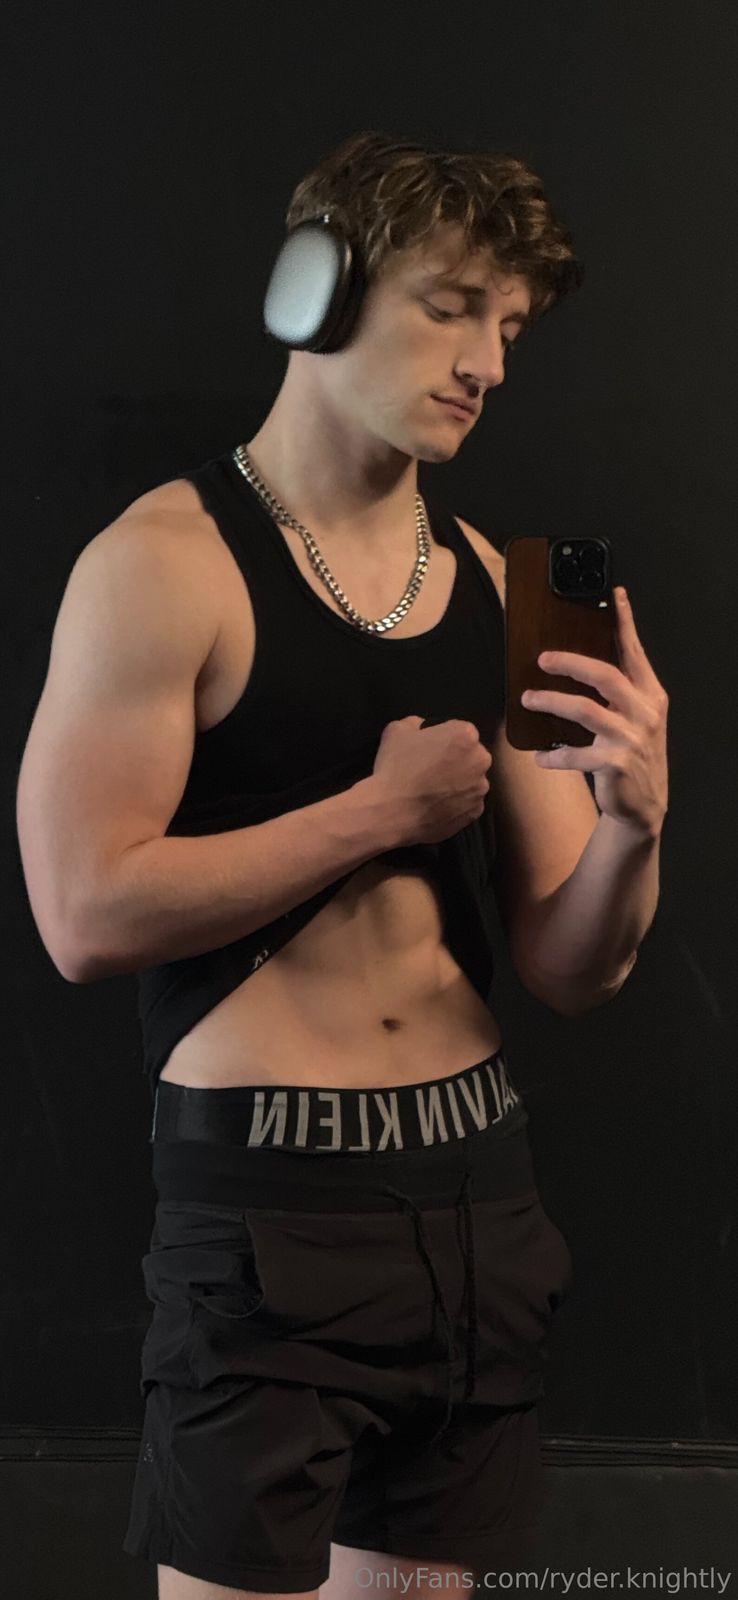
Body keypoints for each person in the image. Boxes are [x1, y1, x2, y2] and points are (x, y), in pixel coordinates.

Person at [16, 131, 668, 1600]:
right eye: (451, 306)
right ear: (313, 289)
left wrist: (634, 824)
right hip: (267, 1209)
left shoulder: (495, 584)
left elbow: (571, 969)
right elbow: (82, 913)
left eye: (510, 329)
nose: (485, 363)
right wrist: (371, 816)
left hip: (478, 1198)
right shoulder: (163, 564)